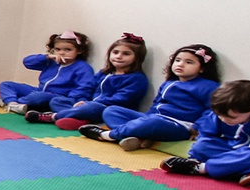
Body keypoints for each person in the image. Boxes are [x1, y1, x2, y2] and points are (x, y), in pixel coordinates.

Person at [81, 44, 221, 151]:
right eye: (177, 60)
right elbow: (156, 105)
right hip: (153, 118)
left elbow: (212, 110)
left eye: (189, 62)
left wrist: (198, 127)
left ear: (202, 68)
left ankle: (108, 136)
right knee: (111, 111)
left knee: (152, 123)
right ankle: (135, 137)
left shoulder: (208, 86)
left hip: (178, 125)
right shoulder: (168, 83)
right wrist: (144, 117)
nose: (180, 64)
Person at [162, 80, 250, 186]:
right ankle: (237, 169)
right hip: (230, 147)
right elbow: (208, 133)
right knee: (201, 145)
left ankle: (202, 168)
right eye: (220, 116)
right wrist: (201, 147)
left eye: (232, 118)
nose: (224, 120)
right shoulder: (224, 110)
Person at [28, 33, 148, 129]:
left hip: (108, 108)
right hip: (88, 104)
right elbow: (89, 87)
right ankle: (79, 120)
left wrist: (89, 103)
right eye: (115, 52)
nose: (119, 56)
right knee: (58, 101)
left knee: (91, 108)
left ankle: (54, 117)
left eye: (126, 54)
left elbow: (122, 99)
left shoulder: (136, 78)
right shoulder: (104, 73)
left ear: (137, 58)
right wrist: (81, 100)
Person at [0, 31, 95, 115]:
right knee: (5, 84)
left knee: (39, 97)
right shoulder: (51, 61)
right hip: (39, 90)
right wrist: (46, 57)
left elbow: (84, 87)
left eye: (68, 50)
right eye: (58, 49)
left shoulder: (82, 68)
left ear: (79, 51)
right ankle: (12, 104)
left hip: (57, 96)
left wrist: (72, 99)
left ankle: (7, 103)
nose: (62, 53)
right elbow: (27, 62)